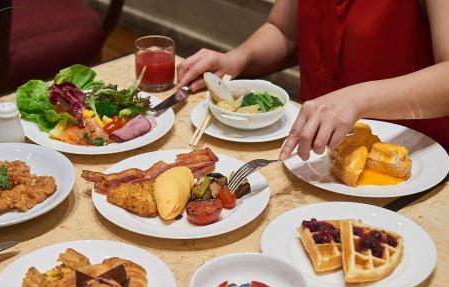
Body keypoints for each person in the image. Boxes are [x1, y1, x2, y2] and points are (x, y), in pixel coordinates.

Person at [176, 0, 449, 160]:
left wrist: (358, 99)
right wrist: (238, 59)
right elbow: (284, 30)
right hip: (315, 155)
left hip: (412, 158)